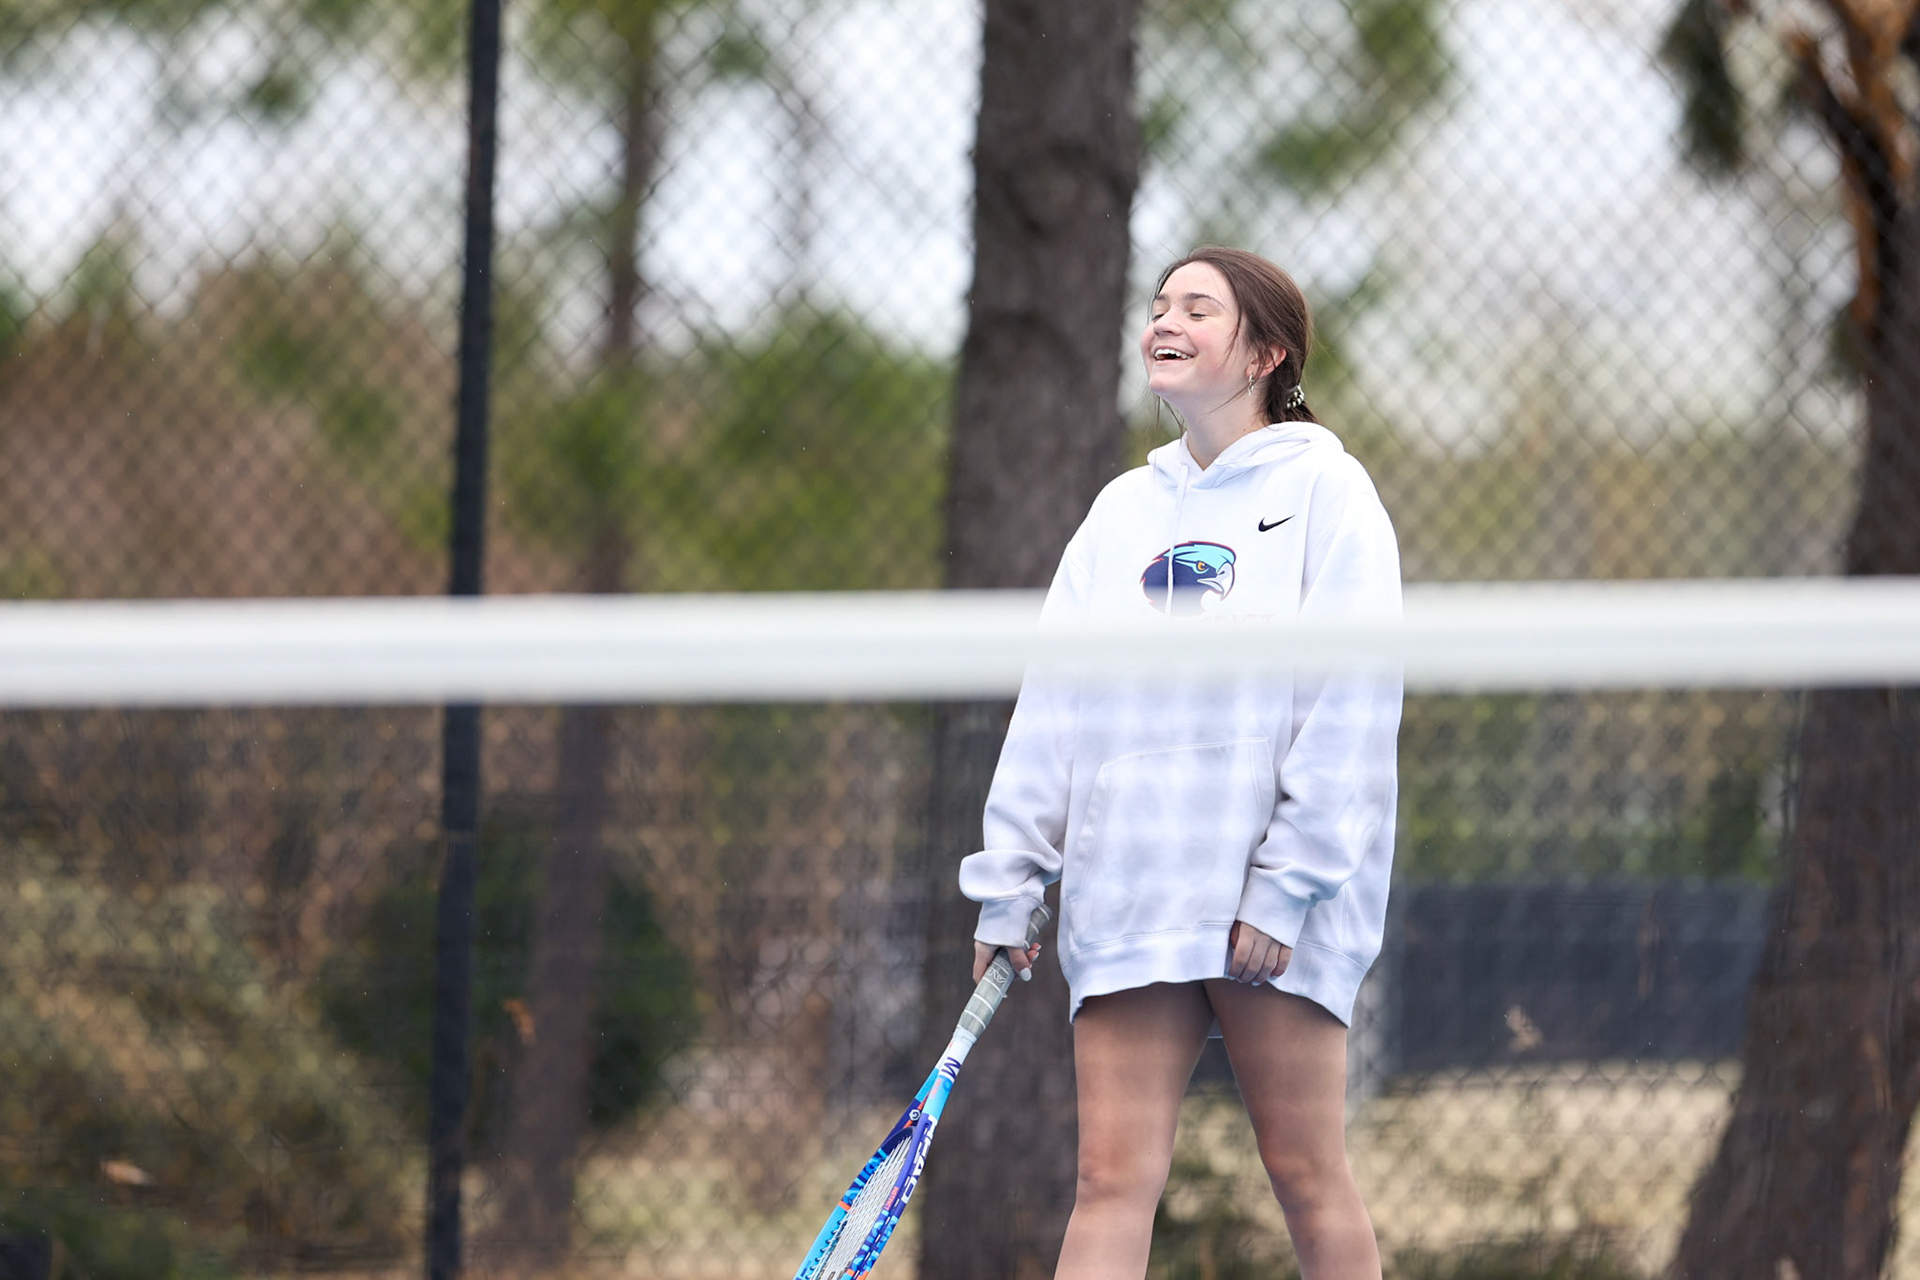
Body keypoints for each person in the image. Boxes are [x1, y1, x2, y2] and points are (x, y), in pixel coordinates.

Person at [958, 246, 1403, 1280]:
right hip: (1134, 891)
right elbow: (1054, 702)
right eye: (1158, 305)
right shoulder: (1120, 513)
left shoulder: (1328, 492)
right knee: (1108, 1182)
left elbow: (1351, 701)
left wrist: (1284, 888)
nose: (1163, 320)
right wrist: (1010, 882)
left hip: (1272, 912)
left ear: (1265, 350)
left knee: (1306, 1167)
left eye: (1197, 307)